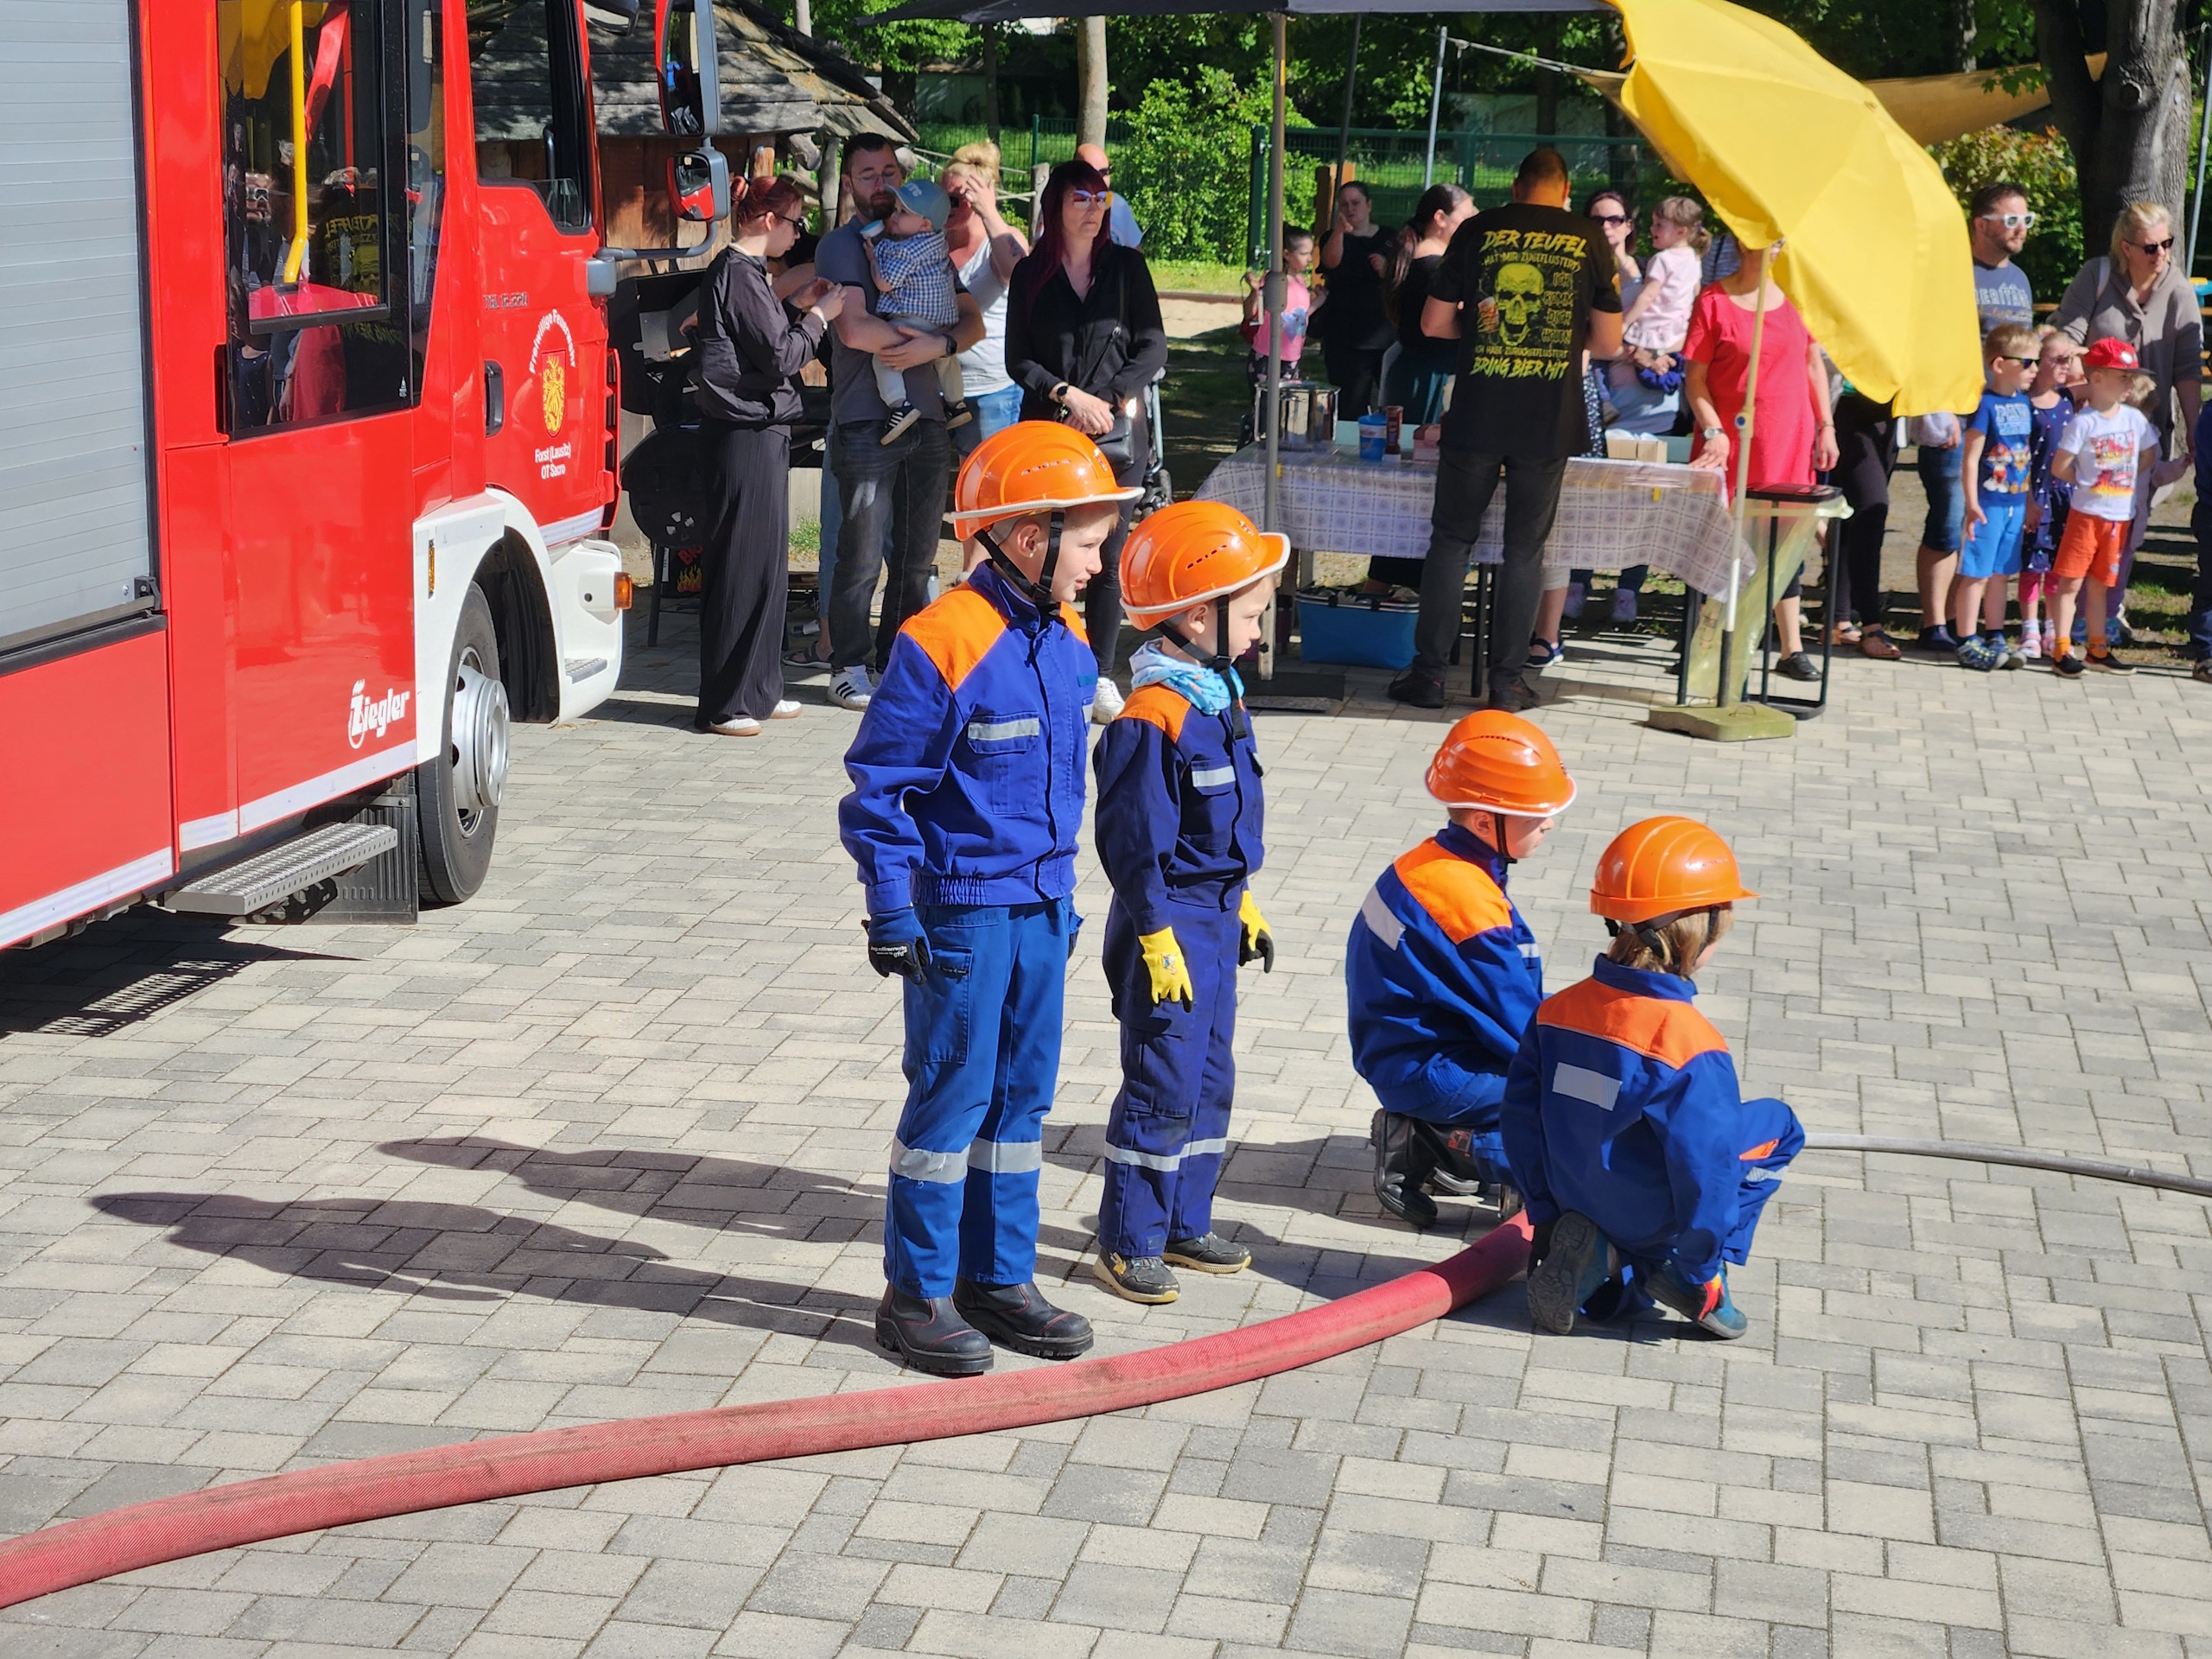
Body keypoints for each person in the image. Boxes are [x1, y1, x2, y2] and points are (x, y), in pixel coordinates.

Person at [837, 422, 1140, 1376]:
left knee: (1020, 1102)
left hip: (1043, 907)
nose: (1099, 565)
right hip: (963, 917)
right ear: (1029, 537)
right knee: (952, 1101)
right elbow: (880, 792)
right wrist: (893, 908)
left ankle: (998, 1279)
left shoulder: (1068, 639)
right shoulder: (943, 640)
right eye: (1090, 544)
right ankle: (915, 1296)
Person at [1090, 501, 1287, 1303]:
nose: (1258, 632)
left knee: (1208, 1077)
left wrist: (1244, 901)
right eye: (1251, 615)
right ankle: (1129, 1239)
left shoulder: (1219, 696)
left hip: (1215, 916)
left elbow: (1223, 823)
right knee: (1160, 1083)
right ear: (1199, 615)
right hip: (1166, 924)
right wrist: (1154, 935)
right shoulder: (1154, 718)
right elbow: (1134, 843)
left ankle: (1182, 1220)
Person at [1504, 817, 1802, 1340]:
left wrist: (1546, 1213)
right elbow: (1705, 1168)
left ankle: (1605, 1260)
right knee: (1780, 1125)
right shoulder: (1690, 1045)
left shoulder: (1556, 1011)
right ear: (1699, 932)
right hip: (1649, 1216)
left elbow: (1519, 1120)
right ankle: (1698, 1277)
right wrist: (1699, 1262)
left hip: (1573, 1198)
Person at [1389, 148, 1624, 715]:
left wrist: (1482, 329)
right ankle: (1507, 682)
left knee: (1452, 541)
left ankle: (1429, 676)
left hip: (1478, 412)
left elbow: (1433, 323)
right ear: (1565, 192)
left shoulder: (1478, 231)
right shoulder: (1590, 239)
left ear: (1517, 187)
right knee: (1525, 551)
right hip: (1548, 419)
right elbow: (1609, 343)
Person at [1346, 712, 1577, 1229]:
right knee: (1572, 1103)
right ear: (1484, 823)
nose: (1549, 823)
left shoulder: (1437, 863)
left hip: (1410, 1053)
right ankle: (1435, 1144)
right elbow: (1521, 1030)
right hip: (1429, 1069)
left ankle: (1442, 1141)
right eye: (1536, 814)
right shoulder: (1465, 902)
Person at [817, 134, 987, 713]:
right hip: (868, 420)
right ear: (848, 184)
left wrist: (937, 344)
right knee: (861, 555)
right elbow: (854, 330)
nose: (882, 184)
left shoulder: (922, 238)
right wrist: (921, 342)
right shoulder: (843, 246)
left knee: (917, 560)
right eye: (868, 174)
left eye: (889, 171)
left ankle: (896, 663)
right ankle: (847, 666)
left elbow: (971, 321)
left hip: (930, 418)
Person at [1004, 157, 1169, 722]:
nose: (1094, 210)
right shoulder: (1031, 273)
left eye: (1101, 199)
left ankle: (1099, 673)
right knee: (1044, 547)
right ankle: (1038, 662)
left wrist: (1106, 400)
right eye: (1082, 198)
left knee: (1106, 553)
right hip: (1049, 432)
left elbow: (1152, 347)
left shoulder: (1126, 267)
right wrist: (1067, 396)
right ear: (1055, 206)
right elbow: (1018, 359)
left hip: (1117, 435)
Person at [690, 177, 845, 735]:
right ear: (768, 220)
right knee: (741, 565)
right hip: (744, 432)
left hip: (760, 429)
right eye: (796, 222)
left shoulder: (749, 274)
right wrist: (820, 315)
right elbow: (779, 355)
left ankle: (759, 688)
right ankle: (727, 703)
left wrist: (799, 307)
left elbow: (763, 339)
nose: (799, 234)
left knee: (766, 567)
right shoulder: (737, 272)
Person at [1682, 239, 1839, 682]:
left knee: (1784, 539)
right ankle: (1707, 646)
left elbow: (1813, 364)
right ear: (1743, 240)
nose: (1778, 245)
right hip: (1731, 442)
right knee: (1724, 542)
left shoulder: (1796, 299)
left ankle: (1791, 648)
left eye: (1782, 238)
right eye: (1770, 236)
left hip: (1789, 439)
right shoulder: (1713, 302)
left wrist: (1826, 425)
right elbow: (1695, 379)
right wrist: (1713, 430)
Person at [2051, 201, 2202, 464]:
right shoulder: (2095, 277)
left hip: (2150, 432)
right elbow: (2066, 340)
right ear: (2126, 248)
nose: (2161, 253)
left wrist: (2194, 429)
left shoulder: (2180, 291)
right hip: (2096, 430)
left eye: (2167, 243)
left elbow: (2188, 369)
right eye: (2151, 248)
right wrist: (2080, 391)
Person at [2048, 338, 2159, 677]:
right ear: (2096, 378)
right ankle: (2061, 649)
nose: (2129, 383)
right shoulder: (2084, 422)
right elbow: (2059, 466)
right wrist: (2088, 482)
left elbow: (2149, 454)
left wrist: (2123, 480)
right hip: (2086, 516)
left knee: (2100, 584)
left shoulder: (2134, 419)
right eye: (2122, 376)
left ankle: (2097, 649)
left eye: (2131, 376)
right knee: (2070, 582)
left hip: (2119, 517)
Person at [1954, 323, 2042, 670]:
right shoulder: (1985, 404)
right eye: (2028, 362)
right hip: (1988, 504)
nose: (2034, 370)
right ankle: (1966, 640)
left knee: (2002, 572)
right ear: (2000, 364)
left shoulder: (2023, 402)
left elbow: (2025, 456)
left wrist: (2030, 499)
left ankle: (1994, 634)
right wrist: (1971, 503)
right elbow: (1970, 458)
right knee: (1977, 572)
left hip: (2015, 504)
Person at [861, 179, 972, 442]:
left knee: (884, 358)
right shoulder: (937, 241)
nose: (894, 216)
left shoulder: (908, 250)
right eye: (896, 209)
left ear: (924, 224)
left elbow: (885, 282)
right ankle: (957, 403)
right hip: (943, 320)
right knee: (945, 359)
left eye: (902, 212)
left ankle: (899, 406)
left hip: (914, 318)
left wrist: (873, 260)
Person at [943, 146, 1030, 454]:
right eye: (942, 197)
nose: (947, 207)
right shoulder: (934, 240)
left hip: (991, 390)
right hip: (939, 388)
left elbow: (1021, 276)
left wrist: (989, 212)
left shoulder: (1002, 239)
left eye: (956, 199)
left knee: (990, 478)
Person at [1383, 183, 1476, 425]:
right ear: (1440, 218)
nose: (1472, 224)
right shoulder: (1434, 266)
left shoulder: (1420, 258)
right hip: (1430, 379)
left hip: (1418, 374)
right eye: (1467, 217)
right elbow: (1435, 325)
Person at [2020, 328, 2083, 661]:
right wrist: (2028, 498)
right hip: (2036, 493)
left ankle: (2052, 627)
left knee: (2060, 565)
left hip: (2065, 496)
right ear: (2039, 360)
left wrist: (2079, 353)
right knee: (2032, 565)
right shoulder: (2023, 403)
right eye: (2058, 359)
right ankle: (2029, 627)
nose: (2065, 365)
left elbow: (2101, 378)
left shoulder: (2069, 398)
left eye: (2069, 359)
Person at [1316, 180, 1395, 419]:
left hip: (1384, 336)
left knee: (1392, 405)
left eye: (1356, 203)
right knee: (1350, 408)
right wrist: (1340, 231)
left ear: (1369, 205)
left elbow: (1403, 278)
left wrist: (1388, 270)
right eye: (1344, 204)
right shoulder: (1332, 237)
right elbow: (1330, 263)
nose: (1350, 209)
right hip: (1344, 338)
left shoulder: (1390, 238)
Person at [1241, 228, 1314, 391]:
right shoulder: (1273, 279)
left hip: (1292, 356)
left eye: (1311, 253)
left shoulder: (1300, 281)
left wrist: (1320, 301)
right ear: (1287, 254)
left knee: (1286, 402)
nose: (1310, 259)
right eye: (1304, 254)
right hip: (1267, 355)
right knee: (1265, 401)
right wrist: (1255, 292)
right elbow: (1251, 314)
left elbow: (1301, 315)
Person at [1969, 180, 2037, 334]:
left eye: (2027, 220)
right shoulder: (1957, 273)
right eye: (2011, 220)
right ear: (1981, 225)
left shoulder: (2020, 278)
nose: (2022, 229)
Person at [1076, 142, 1143, 250]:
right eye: (1092, 174)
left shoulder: (1119, 205)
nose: (1100, 180)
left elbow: (1136, 251)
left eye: (1104, 172)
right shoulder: (1063, 206)